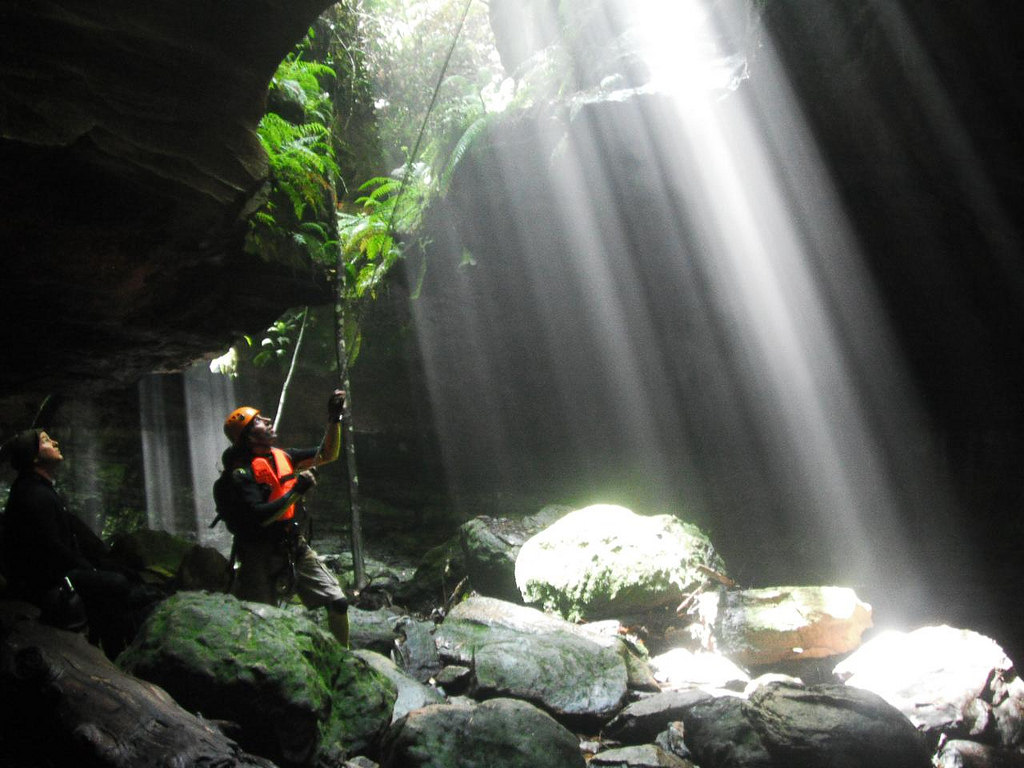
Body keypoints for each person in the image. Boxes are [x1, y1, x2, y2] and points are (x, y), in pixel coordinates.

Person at [213, 389, 350, 647]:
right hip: (258, 552)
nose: (267, 421)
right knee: (262, 621)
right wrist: (297, 492)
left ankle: (345, 660)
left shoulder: (284, 456)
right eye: (259, 421)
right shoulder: (241, 474)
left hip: (290, 543)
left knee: (338, 601)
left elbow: (327, 453)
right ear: (250, 435)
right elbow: (259, 517)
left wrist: (334, 419)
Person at [0, 428, 151, 657]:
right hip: (46, 586)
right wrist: (89, 569)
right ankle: (119, 651)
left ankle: (115, 648)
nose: (55, 442)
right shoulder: (33, 495)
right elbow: (52, 550)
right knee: (117, 585)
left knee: (121, 577)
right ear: (33, 456)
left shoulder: (37, 489)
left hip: (52, 577)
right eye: (46, 441)